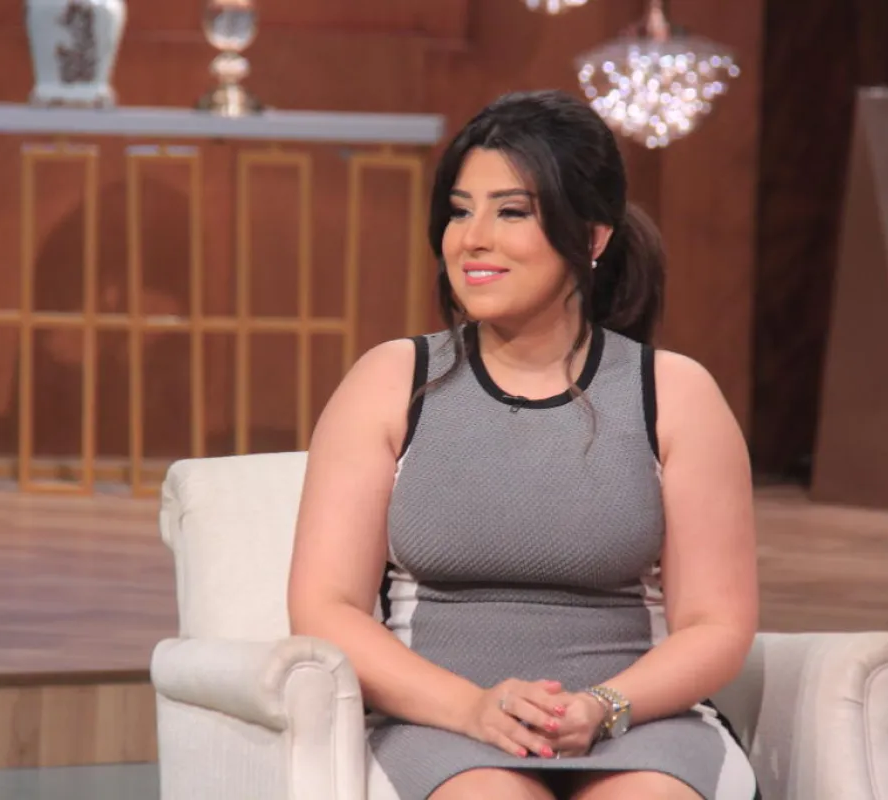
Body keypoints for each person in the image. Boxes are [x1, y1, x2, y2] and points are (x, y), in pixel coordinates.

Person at [288, 89, 760, 800]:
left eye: (511, 212)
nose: (472, 238)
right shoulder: (390, 381)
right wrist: (472, 709)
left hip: (635, 722)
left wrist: (602, 706)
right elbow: (325, 608)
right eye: (459, 211)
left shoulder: (676, 394)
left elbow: (715, 623)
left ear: (592, 237)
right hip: (439, 723)